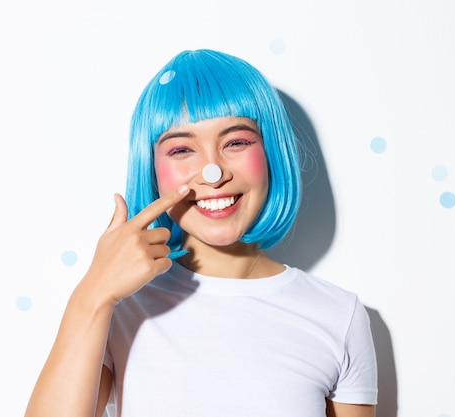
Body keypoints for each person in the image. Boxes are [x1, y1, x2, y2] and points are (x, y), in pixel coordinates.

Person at [24, 49, 378, 417]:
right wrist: (93, 294)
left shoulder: (338, 315)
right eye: (181, 149)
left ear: (272, 152)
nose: (212, 172)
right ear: (152, 168)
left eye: (236, 143)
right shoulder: (121, 306)